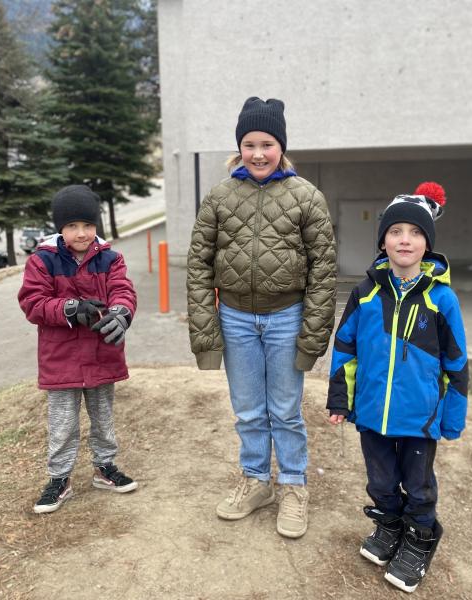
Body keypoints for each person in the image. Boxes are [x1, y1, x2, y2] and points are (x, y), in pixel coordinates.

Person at [187, 97, 337, 538]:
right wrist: (206, 333)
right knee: (250, 410)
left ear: (280, 147)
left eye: (267, 143)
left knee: (286, 411)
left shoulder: (306, 197)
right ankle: (256, 481)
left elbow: (323, 271)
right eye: (249, 143)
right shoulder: (219, 196)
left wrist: (313, 336)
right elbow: (198, 266)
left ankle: (293, 485)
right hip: (234, 318)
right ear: (239, 147)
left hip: (287, 317)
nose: (257, 153)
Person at [326, 182, 468, 592]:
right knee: (380, 482)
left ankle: (419, 539)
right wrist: (340, 397)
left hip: (419, 419)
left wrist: (452, 419)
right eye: (396, 231)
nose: (405, 239)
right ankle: (389, 525)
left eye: (416, 232)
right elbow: (345, 348)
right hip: (371, 412)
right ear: (383, 240)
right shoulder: (365, 291)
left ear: (428, 243)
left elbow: (457, 364)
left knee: (419, 486)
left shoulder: (442, 300)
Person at [18, 184, 138, 514]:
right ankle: (59, 479)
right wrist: (71, 307)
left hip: (102, 354)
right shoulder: (42, 261)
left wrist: (122, 313)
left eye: (87, 225)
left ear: (96, 226)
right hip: (61, 360)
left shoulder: (111, 258)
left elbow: (122, 290)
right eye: (72, 226)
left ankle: (105, 467)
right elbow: (33, 303)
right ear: (60, 228)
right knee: (63, 424)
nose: (81, 233)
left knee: (103, 417)